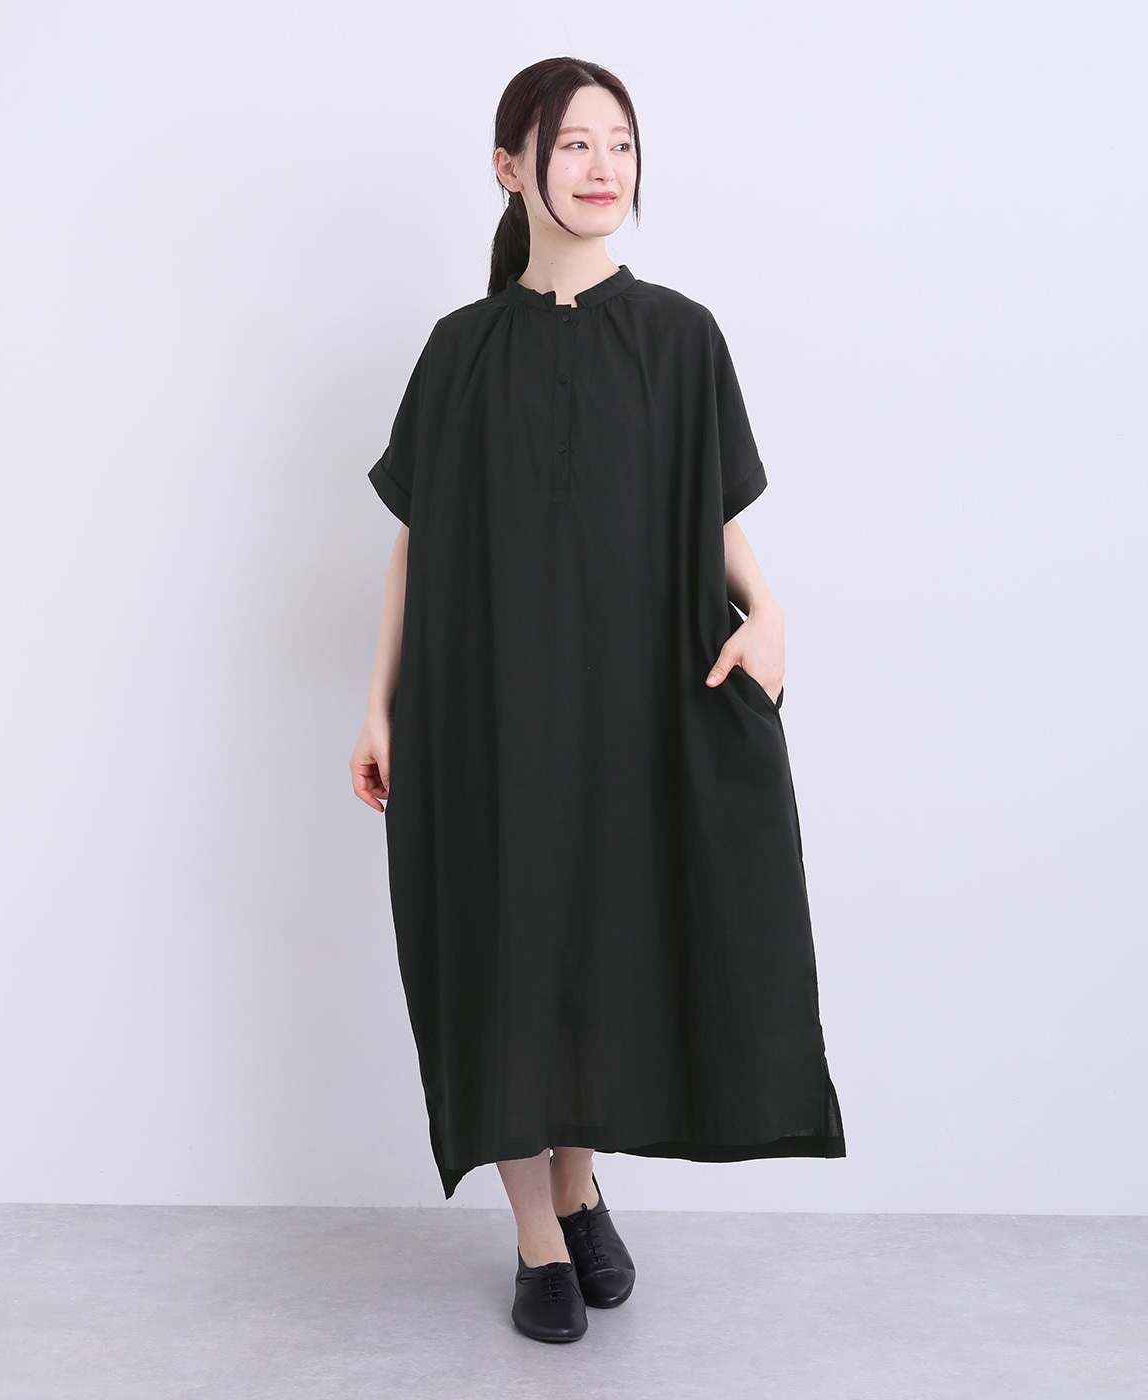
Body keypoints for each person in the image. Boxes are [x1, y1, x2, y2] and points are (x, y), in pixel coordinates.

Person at [353, 56, 846, 1344]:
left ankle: (578, 1187)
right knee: (509, 944)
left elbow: (712, 509)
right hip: (483, 706)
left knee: (601, 939)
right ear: (510, 167)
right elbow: (414, 539)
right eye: (572, 143)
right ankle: (539, 1235)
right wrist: (378, 705)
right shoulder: (458, 353)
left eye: (619, 143)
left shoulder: (680, 337)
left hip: (629, 702)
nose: (601, 166)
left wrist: (770, 612)